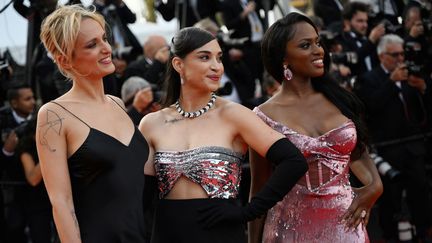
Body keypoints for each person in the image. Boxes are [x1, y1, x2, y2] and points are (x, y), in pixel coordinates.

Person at [138, 27, 308, 243]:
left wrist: (247, 212)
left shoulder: (235, 115)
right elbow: (141, 199)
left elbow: (293, 161)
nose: (216, 67)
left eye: (219, 58)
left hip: (221, 234)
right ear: (178, 65)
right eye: (204, 57)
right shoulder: (152, 123)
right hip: (165, 235)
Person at [249, 12, 383, 243]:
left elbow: (358, 153)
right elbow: (260, 188)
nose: (319, 50)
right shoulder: (262, 116)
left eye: (318, 42)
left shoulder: (340, 99)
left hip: (346, 228)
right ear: (284, 58)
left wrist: (374, 187)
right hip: (288, 231)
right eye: (305, 45)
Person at [36, 5, 148, 242]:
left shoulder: (118, 104)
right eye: (91, 45)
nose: (106, 49)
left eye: (104, 39)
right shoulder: (54, 115)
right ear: (65, 60)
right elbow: (61, 203)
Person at [354, 34, 432, 242]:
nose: (400, 58)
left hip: (414, 146)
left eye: (402, 54)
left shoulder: (411, 76)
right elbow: (369, 107)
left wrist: (423, 87)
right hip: (387, 149)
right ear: (381, 56)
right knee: (391, 199)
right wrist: (391, 82)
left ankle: (423, 232)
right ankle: (390, 236)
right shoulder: (369, 79)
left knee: (421, 193)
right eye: (395, 54)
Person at [0, 83, 36, 242]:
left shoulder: (42, 117)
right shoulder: (2, 121)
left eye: (33, 97)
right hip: (12, 191)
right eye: (27, 99)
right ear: (14, 103)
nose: (33, 102)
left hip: (38, 189)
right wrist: (7, 151)